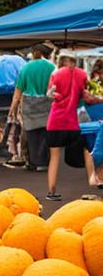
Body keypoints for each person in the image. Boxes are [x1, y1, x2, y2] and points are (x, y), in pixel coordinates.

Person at [45, 53, 101, 200]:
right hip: (72, 122)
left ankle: (51, 192)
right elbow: (87, 96)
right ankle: (92, 181)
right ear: (74, 61)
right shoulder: (81, 74)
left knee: (54, 157)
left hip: (55, 121)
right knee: (87, 149)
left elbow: (49, 94)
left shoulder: (56, 74)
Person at [11, 45, 57, 172]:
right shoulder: (52, 67)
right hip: (47, 104)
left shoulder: (26, 68)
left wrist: (12, 109)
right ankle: (45, 161)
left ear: (34, 53)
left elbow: (18, 92)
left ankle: (33, 162)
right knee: (45, 133)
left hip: (29, 105)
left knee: (31, 134)